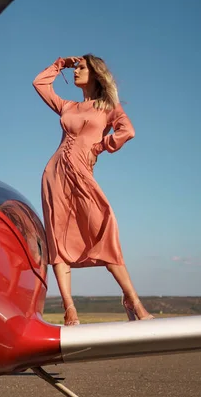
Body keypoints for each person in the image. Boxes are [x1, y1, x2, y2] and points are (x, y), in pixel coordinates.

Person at [33, 55, 154, 325]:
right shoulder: (68, 105)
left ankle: (132, 300)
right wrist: (60, 64)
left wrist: (100, 146)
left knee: (104, 227)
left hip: (82, 173)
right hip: (55, 174)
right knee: (57, 238)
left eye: (81, 68)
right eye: (75, 68)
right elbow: (39, 84)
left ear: (96, 73)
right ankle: (70, 309)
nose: (76, 71)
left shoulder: (109, 107)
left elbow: (128, 131)